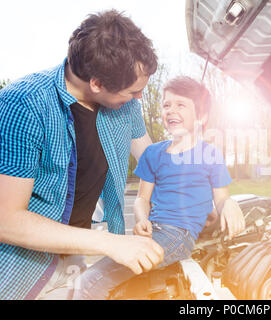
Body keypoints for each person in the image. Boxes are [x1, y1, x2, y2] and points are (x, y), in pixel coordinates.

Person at [0, 10, 164, 300]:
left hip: (76, 254)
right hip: (23, 269)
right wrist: (110, 243)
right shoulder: (23, 105)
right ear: (97, 84)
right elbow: (6, 219)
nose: (139, 98)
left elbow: (154, 162)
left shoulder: (125, 106)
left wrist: (216, 196)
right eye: (132, 91)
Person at [73, 76, 246, 300]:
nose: (171, 110)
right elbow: (141, 199)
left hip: (177, 236)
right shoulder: (153, 153)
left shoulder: (209, 155)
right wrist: (141, 218)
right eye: (166, 105)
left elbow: (222, 199)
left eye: (180, 105)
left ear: (201, 116)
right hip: (152, 233)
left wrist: (229, 203)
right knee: (119, 288)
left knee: (89, 283)